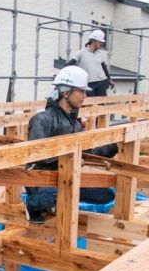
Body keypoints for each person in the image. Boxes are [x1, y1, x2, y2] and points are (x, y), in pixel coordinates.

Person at [24, 66, 119, 222]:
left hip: (67, 176)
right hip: (41, 176)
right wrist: (68, 159)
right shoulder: (43, 119)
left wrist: (109, 148)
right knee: (53, 195)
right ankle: (33, 204)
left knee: (106, 195)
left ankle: (54, 200)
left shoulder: (75, 125)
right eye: (81, 91)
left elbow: (85, 150)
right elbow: (36, 155)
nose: (85, 96)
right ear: (65, 92)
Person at [68, 29, 114, 97]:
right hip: (88, 83)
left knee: (101, 105)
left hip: (101, 82)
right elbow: (69, 65)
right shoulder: (81, 53)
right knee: (90, 104)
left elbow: (104, 67)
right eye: (100, 42)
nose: (102, 44)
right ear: (93, 41)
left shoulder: (99, 54)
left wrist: (109, 79)